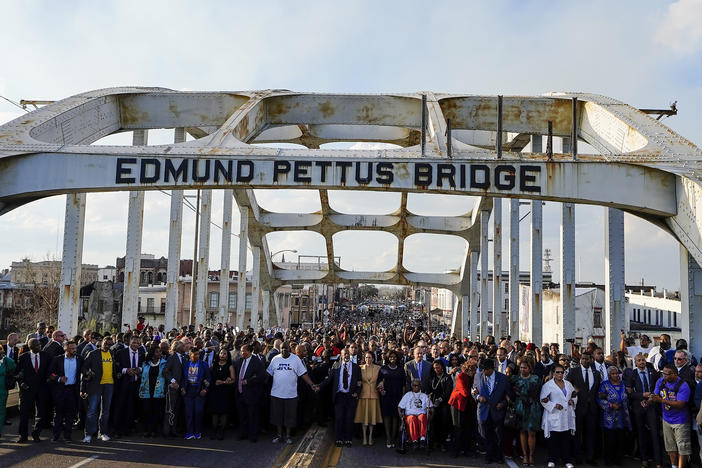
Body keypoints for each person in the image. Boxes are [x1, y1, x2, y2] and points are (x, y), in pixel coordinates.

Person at [267, 342, 317, 445]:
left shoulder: (295, 359)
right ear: (279, 349)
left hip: (291, 394)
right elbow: (268, 374)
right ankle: (279, 435)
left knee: (289, 417)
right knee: (278, 416)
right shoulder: (275, 359)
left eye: (286, 348)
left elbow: (303, 374)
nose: (284, 350)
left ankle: (288, 436)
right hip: (276, 394)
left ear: (289, 349)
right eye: (282, 349)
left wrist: (311, 384)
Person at [624, 353, 662, 468]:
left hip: (652, 406)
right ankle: (644, 459)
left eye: (643, 360)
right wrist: (641, 395)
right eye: (639, 360)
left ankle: (659, 462)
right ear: (635, 363)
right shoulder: (632, 374)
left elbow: (659, 387)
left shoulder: (652, 372)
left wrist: (652, 397)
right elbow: (629, 393)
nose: (641, 362)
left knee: (655, 433)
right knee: (641, 433)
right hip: (639, 407)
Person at [651, 364, 692, 468]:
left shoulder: (683, 385)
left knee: (682, 449)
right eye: (663, 373)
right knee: (671, 448)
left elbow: (680, 404)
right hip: (667, 420)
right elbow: (655, 395)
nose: (664, 376)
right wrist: (648, 400)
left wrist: (662, 400)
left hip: (681, 421)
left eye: (666, 374)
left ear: (674, 374)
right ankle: (673, 466)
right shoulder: (661, 381)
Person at [472, 358, 511, 464]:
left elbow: (508, 395)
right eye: (482, 369)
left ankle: (498, 456)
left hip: (497, 411)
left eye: (486, 370)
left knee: (498, 434)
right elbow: (473, 390)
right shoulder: (478, 376)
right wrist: (478, 397)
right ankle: (489, 455)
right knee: (486, 434)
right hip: (483, 410)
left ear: (492, 369)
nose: (484, 372)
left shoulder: (503, 378)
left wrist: (502, 404)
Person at [321, 347, 360, 447]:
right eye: (344, 354)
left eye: (348, 354)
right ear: (341, 356)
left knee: (349, 418)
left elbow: (360, 382)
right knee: (339, 418)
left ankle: (348, 439)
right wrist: (318, 386)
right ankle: (339, 438)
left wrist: (357, 392)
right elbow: (329, 380)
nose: (346, 355)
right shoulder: (336, 366)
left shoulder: (356, 367)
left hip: (350, 396)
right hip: (339, 396)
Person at [567, 351, 601, 465]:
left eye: (587, 359)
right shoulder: (574, 371)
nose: (585, 361)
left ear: (591, 360)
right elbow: (567, 386)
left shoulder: (596, 373)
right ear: (580, 359)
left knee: (591, 434)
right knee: (577, 434)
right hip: (578, 407)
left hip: (592, 408)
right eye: (583, 359)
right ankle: (577, 457)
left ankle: (590, 457)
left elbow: (596, 390)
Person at [540, 363, 576, 468]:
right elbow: (543, 399)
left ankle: (567, 460)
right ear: (553, 373)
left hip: (566, 415)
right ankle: (552, 459)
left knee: (566, 439)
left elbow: (574, 395)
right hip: (554, 415)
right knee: (554, 440)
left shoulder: (568, 384)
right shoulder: (548, 385)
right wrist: (554, 405)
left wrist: (572, 402)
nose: (560, 374)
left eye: (562, 372)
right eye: (558, 372)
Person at [82, 336, 116, 443]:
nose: (107, 346)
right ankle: (88, 434)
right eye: (106, 343)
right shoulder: (93, 354)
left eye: (110, 345)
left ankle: (102, 433)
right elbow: (84, 367)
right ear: (101, 342)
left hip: (109, 384)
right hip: (96, 385)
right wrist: (88, 373)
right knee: (92, 411)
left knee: (105, 411)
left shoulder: (112, 353)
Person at [16, 337, 49, 443]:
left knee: (41, 413)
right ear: (31, 347)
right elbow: (17, 373)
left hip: (41, 389)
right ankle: (23, 435)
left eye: (40, 344)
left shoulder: (45, 356)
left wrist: (50, 378)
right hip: (27, 389)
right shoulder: (23, 357)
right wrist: (21, 383)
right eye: (37, 345)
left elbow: (50, 370)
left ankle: (36, 433)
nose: (40, 346)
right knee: (24, 413)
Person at [47, 340, 81, 442]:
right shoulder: (58, 359)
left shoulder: (79, 359)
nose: (74, 350)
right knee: (58, 414)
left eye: (75, 348)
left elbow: (84, 370)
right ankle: (56, 435)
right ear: (66, 349)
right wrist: (58, 378)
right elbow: (50, 373)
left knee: (70, 414)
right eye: (72, 348)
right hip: (60, 390)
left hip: (72, 389)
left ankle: (67, 436)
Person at [597, 366, 631, 465]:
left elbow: (628, 396)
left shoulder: (623, 384)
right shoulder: (605, 385)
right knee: (609, 440)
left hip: (622, 417)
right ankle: (608, 460)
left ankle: (619, 460)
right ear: (609, 375)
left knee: (620, 439)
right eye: (613, 374)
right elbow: (599, 399)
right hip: (609, 418)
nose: (616, 375)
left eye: (617, 373)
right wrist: (611, 405)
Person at [233, 344, 265, 442]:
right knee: (242, 415)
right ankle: (243, 433)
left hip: (251, 393)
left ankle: (253, 435)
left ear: (250, 351)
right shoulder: (239, 361)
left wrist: (249, 381)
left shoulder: (256, 362)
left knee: (252, 415)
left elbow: (261, 376)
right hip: (240, 393)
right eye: (241, 351)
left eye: (244, 351)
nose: (242, 353)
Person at [114, 336, 145, 437]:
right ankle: (118, 430)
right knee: (120, 407)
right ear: (129, 342)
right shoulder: (121, 352)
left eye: (137, 343)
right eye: (134, 343)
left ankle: (128, 428)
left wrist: (138, 369)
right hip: (123, 384)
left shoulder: (141, 353)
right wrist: (125, 370)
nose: (135, 345)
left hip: (135, 384)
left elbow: (143, 365)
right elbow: (116, 366)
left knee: (131, 407)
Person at [512, 358, 541, 466]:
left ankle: (531, 455)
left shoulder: (536, 379)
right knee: (522, 431)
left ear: (530, 369)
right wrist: (509, 399)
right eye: (521, 367)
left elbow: (539, 391)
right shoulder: (515, 378)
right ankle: (524, 455)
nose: (522, 369)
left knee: (532, 432)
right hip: (520, 406)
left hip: (533, 407)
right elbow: (507, 389)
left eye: (525, 367)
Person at [448, 361, 477, 457]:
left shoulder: (472, 377)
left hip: (467, 403)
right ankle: (455, 450)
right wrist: (474, 392)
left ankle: (465, 449)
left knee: (467, 427)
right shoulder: (461, 376)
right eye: (473, 370)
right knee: (458, 427)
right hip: (457, 404)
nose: (475, 372)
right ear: (468, 369)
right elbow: (464, 391)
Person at [180, 348, 210, 440]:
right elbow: (183, 378)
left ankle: (197, 432)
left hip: (199, 390)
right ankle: (190, 432)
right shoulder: (186, 364)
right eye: (195, 354)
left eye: (198, 354)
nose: (197, 356)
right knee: (189, 412)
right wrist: (182, 388)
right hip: (188, 391)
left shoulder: (203, 364)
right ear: (190, 355)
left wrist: (205, 389)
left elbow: (208, 378)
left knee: (198, 411)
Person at [354, 350, 383, 446]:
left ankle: (370, 436)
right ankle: (364, 437)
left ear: (373, 358)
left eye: (369, 357)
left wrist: (381, 384)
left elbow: (382, 379)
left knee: (372, 418)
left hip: (374, 395)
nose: (367, 359)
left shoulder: (378, 368)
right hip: (363, 395)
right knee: (364, 418)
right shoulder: (360, 368)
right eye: (366, 357)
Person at [138, 344, 167, 437]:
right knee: (146, 410)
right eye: (157, 351)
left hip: (158, 390)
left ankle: (154, 430)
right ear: (152, 353)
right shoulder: (145, 363)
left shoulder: (164, 363)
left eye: (160, 351)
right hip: (146, 389)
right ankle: (146, 430)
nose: (159, 353)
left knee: (156, 411)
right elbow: (141, 375)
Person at [378, 349, 404, 448]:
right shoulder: (383, 368)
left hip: (397, 396)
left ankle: (393, 438)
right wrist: (381, 391)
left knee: (395, 417)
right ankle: (388, 438)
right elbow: (379, 383)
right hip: (386, 396)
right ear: (388, 358)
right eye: (390, 357)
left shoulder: (401, 369)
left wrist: (403, 396)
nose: (392, 358)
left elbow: (403, 384)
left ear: (397, 358)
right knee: (387, 417)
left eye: (394, 357)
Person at [398, 378, 433, 449]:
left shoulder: (424, 396)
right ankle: (415, 440)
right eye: (414, 385)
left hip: (421, 414)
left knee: (422, 416)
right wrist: (401, 417)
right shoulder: (408, 395)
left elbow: (432, 408)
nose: (416, 387)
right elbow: (399, 407)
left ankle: (422, 439)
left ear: (420, 386)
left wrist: (429, 419)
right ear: (411, 386)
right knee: (412, 418)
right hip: (410, 415)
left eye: (418, 385)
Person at [428, 359, 453, 450]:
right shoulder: (432, 377)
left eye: (438, 367)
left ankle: (443, 442)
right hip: (433, 402)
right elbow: (429, 390)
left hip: (444, 402)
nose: (436, 370)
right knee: (433, 421)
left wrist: (440, 400)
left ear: (442, 367)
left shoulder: (447, 377)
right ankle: (434, 441)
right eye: (434, 368)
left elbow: (447, 392)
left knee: (444, 420)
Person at [162, 339, 185, 438]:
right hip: (172, 388)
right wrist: (173, 381)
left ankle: (173, 430)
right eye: (182, 345)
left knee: (176, 410)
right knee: (169, 410)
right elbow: (166, 371)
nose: (184, 347)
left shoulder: (184, 358)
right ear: (177, 347)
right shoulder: (172, 358)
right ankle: (167, 431)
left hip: (180, 388)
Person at [0, 344, 17, 437]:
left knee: (1, 410)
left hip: (2, 390)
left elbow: (17, 370)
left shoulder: (8, 361)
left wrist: (18, 376)